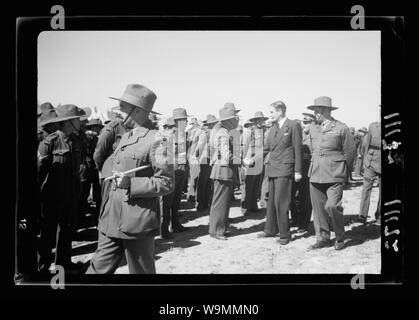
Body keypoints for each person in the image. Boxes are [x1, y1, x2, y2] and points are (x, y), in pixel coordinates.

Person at [86, 84, 174, 274]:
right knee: (97, 269)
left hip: (136, 223)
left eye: (123, 107)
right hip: (110, 218)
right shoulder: (125, 137)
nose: (119, 111)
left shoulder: (157, 140)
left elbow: (166, 182)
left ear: (138, 110)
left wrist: (131, 184)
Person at [38, 104, 84, 272]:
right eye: (77, 119)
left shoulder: (76, 141)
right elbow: (38, 173)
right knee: (48, 233)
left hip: (70, 194)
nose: (80, 122)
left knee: (66, 231)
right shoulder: (49, 142)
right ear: (69, 122)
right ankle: (41, 266)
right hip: (52, 196)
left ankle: (63, 264)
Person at [306, 96, 356, 251]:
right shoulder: (314, 128)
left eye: (318, 110)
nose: (315, 113)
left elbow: (350, 152)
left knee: (333, 206)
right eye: (314, 110)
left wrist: (343, 172)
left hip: (334, 173)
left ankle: (340, 237)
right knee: (319, 209)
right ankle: (322, 238)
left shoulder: (341, 128)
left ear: (328, 110)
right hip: (315, 173)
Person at [255, 101, 302, 245]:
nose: (270, 115)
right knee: (271, 202)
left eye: (271, 112)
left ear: (280, 111)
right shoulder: (273, 127)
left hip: (285, 169)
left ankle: (284, 234)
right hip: (273, 168)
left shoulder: (293, 125)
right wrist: (253, 159)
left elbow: (297, 149)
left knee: (282, 202)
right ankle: (270, 229)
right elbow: (266, 148)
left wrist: (298, 170)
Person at [209, 103, 240, 240]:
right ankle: (217, 231)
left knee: (221, 202)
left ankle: (217, 229)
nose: (237, 119)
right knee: (221, 203)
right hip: (223, 170)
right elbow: (227, 156)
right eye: (235, 118)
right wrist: (241, 161)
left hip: (222, 170)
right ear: (228, 120)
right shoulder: (223, 133)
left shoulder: (223, 132)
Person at [160, 108, 190, 238]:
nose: (186, 121)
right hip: (173, 170)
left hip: (182, 170)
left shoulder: (184, 134)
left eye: (186, 119)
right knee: (167, 201)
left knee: (176, 200)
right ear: (176, 121)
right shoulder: (170, 135)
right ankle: (163, 229)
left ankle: (175, 225)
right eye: (183, 119)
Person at [292, 113, 319, 232]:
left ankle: (303, 223)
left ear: (313, 122)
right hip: (298, 167)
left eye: (307, 122)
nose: (304, 124)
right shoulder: (301, 133)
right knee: (294, 196)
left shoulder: (317, 134)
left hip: (309, 168)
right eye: (304, 122)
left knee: (305, 197)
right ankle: (295, 219)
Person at [241, 112, 268, 215]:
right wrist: (245, 160)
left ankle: (253, 206)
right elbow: (245, 146)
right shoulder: (249, 131)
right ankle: (245, 208)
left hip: (260, 160)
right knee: (248, 185)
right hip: (251, 160)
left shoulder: (264, 131)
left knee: (257, 184)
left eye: (262, 119)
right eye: (259, 119)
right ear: (255, 120)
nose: (261, 121)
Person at [357, 120, 381, 224]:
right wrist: (365, 159)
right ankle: (362, 215)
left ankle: (380, 215)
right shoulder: (372, 126)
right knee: (366, 188)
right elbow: (365, 145)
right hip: (371, 161)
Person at [195, 114, 218, 212]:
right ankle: (203, 203)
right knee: (206, 182)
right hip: (209, 160)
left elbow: (198, 148)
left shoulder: (205, 134)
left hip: (206, 159)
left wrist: (197, 156)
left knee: (204, 182)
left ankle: (201, 203)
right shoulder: (212, 134)